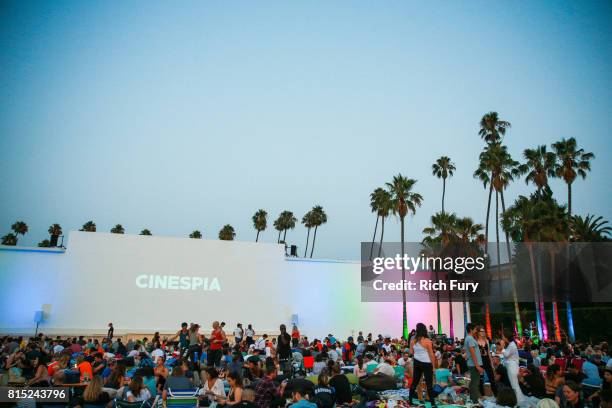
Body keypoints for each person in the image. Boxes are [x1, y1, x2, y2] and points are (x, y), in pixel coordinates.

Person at [409, 323, 437, 407]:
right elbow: (431, 354)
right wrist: (434, 366)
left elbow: (411, 352)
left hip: (417, 363)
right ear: (424, 330)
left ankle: (410, 400)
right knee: (429, 383)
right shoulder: (427, 341)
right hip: (426, 363)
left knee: (415, 382)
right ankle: (432, 403)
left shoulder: (413, 341)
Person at [500, 329, 527, 404]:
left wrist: (502, 347)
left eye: (503, 336)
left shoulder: (512, 345)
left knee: (514, 384)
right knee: (514, 384)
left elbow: (506, 354)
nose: (502, 338)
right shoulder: (511, 344)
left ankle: (519, 400)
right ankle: (518, 399)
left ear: (506, 337)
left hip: (512, 367)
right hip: (512, 366)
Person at [464, 323, 484, 403]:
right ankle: (476, 402)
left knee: (473, 383)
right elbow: (472, 353)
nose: (476, 331)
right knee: (475, 384)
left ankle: (473, 400)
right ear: (471, 330)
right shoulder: (470, 339)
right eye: (475, 329)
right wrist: (477, 366)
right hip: (474, 364)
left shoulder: (469, 338)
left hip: (473, 364)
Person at [477, 325, 497, 396]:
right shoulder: (476, 342)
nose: (483, 332)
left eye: (484, 331)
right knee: (480, 380)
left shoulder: (487, 341)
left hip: (487, 361)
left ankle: (496, 395)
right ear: (478, 332)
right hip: (480, 361)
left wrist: (492, 364)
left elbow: (489, 353)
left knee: (492, 379)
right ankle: (482, 396)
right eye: (482, 331)